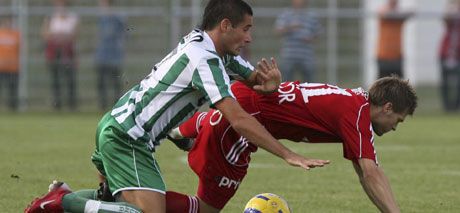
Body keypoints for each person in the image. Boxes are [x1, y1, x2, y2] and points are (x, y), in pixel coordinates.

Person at [25, 1, 329, 213]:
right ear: (225, 25)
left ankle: (62, 196)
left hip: (118, 123)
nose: (249, 37)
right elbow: (237, 118)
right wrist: (288, 154)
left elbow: (253, 79)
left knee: (110, 199)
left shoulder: (214, 49)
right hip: (127, 137)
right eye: (246, 29)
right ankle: (62, 201)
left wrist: (270, 85)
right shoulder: (204, 59)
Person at [165, 76, 418, 213]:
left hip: (242, 98)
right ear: (387, 107)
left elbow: (368, 170)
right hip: (243, 124)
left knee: (213, 122)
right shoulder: (357, 115)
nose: (395, 126)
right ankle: (135, 203)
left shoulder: (355, 102)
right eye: (398, 119)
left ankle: (184, 129)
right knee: (206, 209)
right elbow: (370, 172)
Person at [41, 0, 79, 110]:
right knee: (55, 79)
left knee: (70, 78)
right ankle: (57, 104)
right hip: (55, 52)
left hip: (68, 51)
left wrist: (63, 37)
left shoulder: (73, 17)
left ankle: (72, 104)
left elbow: (75, 34)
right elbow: (45, 34)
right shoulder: (50, 17)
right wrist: (56, 36)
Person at [274, 0, 322, 82]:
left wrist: (310, 39)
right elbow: (277, 31)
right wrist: (290, 27)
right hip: (289, 55)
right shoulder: (286, 14)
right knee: (286, 82)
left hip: (307, 56)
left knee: (309, 83)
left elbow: (318, 34)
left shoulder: (312, 16)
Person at [95, 0, 126, 110]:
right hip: (102, 54)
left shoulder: (117, 18)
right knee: (101, 81)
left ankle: (117, 105)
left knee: (115, 81)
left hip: (114, 54)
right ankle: (102, 105)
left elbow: (123, 33)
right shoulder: (100, 18)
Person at [376, 0, 413, 78]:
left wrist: (398, 14)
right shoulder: (384, 11)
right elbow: (384, 13)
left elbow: (411, 12)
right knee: (382, 84)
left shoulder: (399, 17)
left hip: (397, 55)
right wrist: (397, 14)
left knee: (398, 85)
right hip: (384, 56)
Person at [439, 0, 460, 112]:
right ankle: (447, 107)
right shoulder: (451, 11)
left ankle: (456, 107)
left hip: (458, 54)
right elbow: (446, 19)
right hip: (446, 52)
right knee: (445, 82)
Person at [0, 14, 20, 111]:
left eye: (10, 21)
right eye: (6, 21)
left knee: (12, 89)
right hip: (1, 67)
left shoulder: (16, 34)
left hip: (13, 67)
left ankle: (13, 109)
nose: (8, 23)